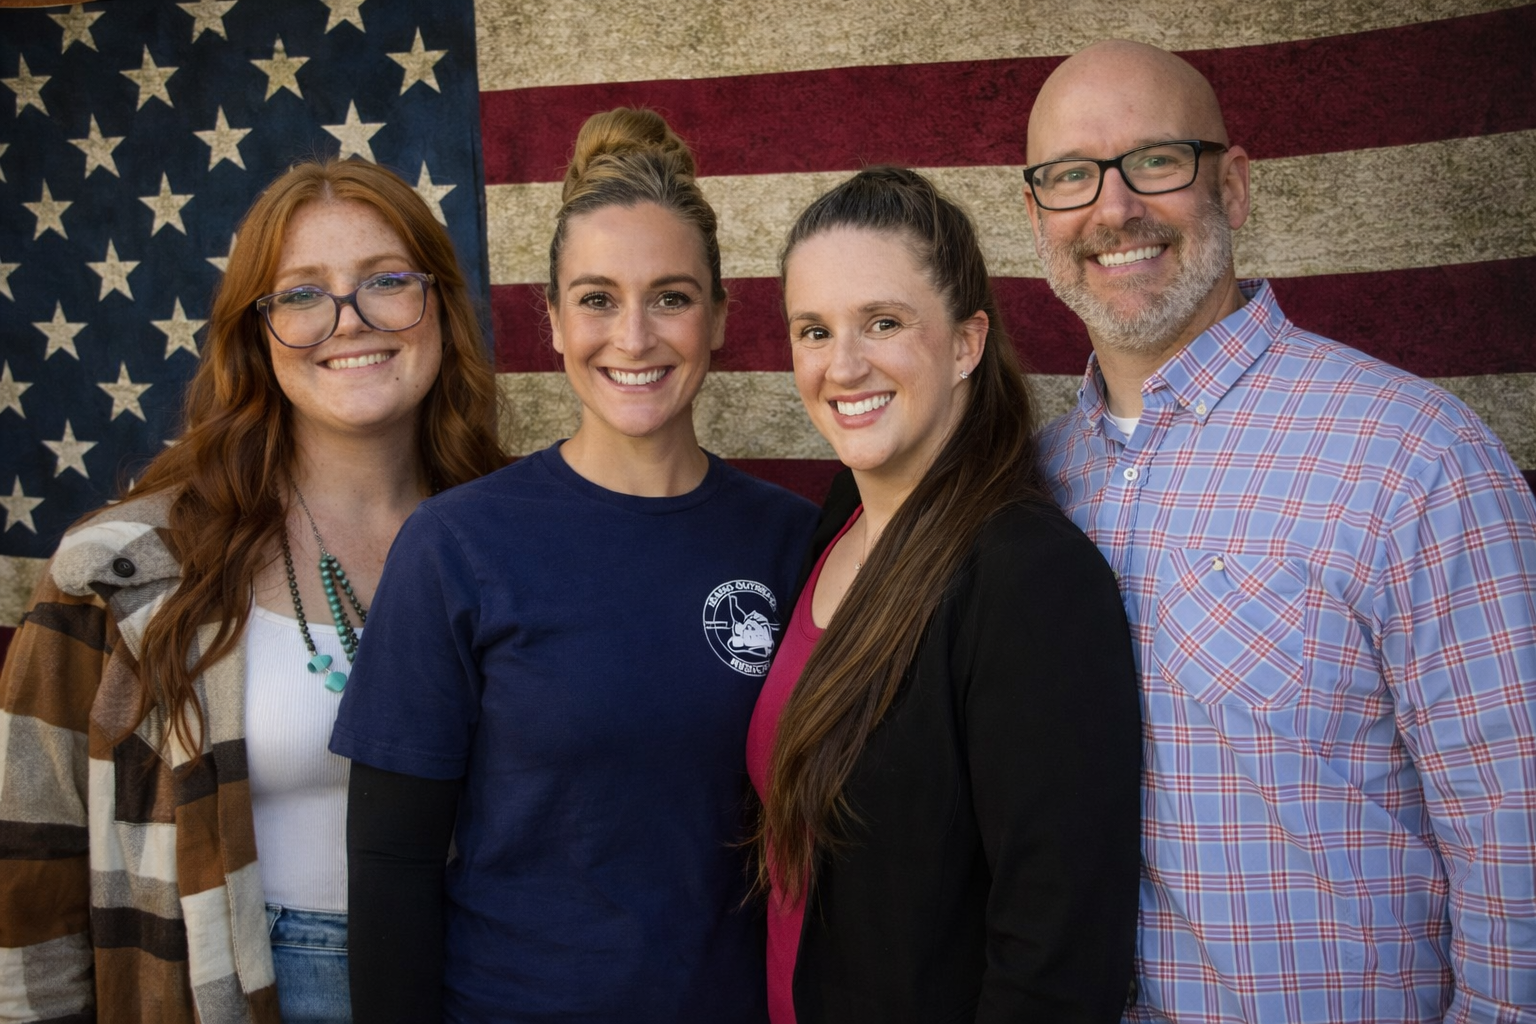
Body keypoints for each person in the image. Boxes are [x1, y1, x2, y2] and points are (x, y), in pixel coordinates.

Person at [1024, 40, 1536, 1023]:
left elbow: (1517, 830)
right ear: (1039, 216)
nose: (1115, 206)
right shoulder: (1033, 488)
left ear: (1237, 185)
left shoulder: (1411, 458)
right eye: (1072, 176)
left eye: (1158, 160)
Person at [332, 108, 817, 1023]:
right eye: (596, 299)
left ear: (720, 318)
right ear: (551, 322)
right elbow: (392, 866)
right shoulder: (457, 546)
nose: (633, 338)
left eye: (671, 297)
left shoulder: (793, 544)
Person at [0, 158, 505, 1024]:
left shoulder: (524, 536)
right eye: (303, 294)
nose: (350, 321)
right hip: (235, 984)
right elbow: (28, 865)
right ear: (255, 332)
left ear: (440, 306)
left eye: (387, 280)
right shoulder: (123, 570)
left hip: (490, 973)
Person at [748, 165, 1142, 1024]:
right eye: (813, 330)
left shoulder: (1029, 579)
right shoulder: (840, 518)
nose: (842, 365)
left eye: (882, 323)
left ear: (966, 343)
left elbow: (1058, 959)